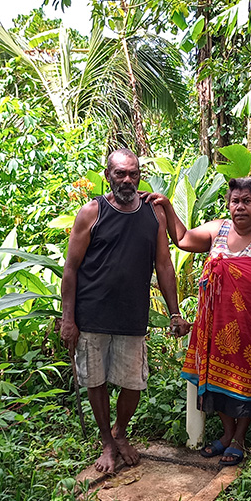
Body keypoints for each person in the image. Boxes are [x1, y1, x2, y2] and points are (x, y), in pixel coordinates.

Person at [60, 148, 191, 474]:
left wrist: (175, 312)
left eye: (133, 173)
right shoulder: (92, 212)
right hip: (92, 315)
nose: (128, 180)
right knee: (97, 381)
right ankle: (107, 441)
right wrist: (68, 319)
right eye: (120, 173)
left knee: (134, 383)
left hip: (132, 314)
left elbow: (163, 265)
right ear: (108, 176)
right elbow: (71, 269)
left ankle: (120, 431)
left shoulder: (154, 214)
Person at [153, 177, 251, 466]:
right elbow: (181, 239)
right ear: (229, 204)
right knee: (215, 380)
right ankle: (227, 434)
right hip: (214, 324)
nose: (240, 207)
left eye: (247, 201)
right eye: (235, 201)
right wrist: (167, 205)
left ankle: (239, 439)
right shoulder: (217, 229)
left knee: (246, 383)